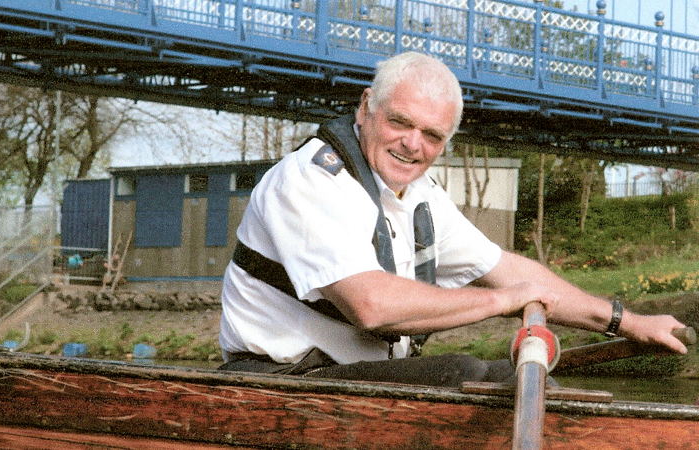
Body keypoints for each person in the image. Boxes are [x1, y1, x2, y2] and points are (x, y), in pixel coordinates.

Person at [217, 51, 688, 387]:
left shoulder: (418, 193)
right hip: (276, 381)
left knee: (497, 379)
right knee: (465, 374)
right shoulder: (310, 181)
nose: (413, 144)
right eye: (400, 122)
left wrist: (627, 322)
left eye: (432, 134)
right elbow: (372, 306)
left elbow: (509, 270)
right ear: (366, 108)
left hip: (344, 379)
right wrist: (504, 301)